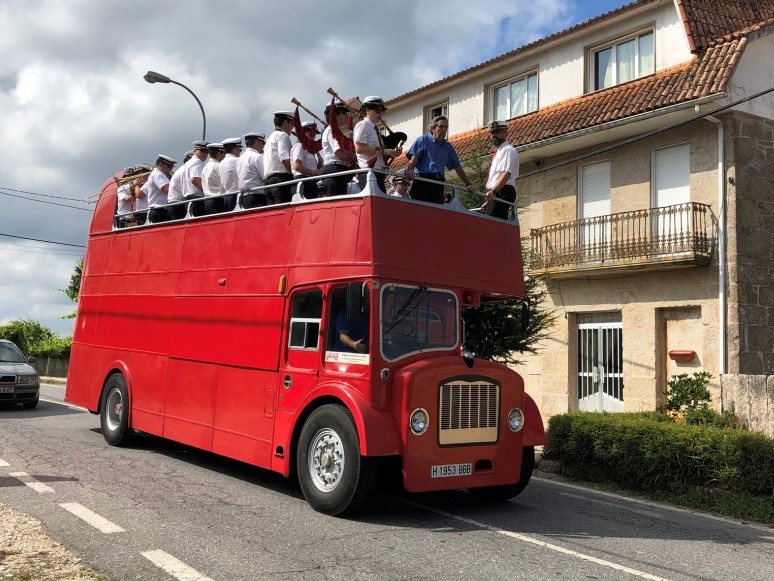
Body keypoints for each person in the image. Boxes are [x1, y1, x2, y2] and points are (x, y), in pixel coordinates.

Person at [405, 115, 475, 204]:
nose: (444, 129)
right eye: (441, 126)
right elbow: (413, 159)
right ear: (433, 129)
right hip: (423, 180)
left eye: (446, 127)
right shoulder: (423, 139)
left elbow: (457, 167)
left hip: (438, 183)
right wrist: (410, 169)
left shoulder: (448, 147)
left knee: (436, 213)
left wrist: (468, 183)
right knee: (420, 211)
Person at [353, 96, 402, 194]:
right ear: (367, 111)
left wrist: (393, 152)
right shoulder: (363, 125)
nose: (380, 113)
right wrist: (384, 151)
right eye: (377, 110)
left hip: (378, 172)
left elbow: (378, 151)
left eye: (382, 111)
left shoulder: (375, 129)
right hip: (369, 172)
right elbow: (359, 148)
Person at [483, 120, 519, 221]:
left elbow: (506, 173)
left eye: (497, 132)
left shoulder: (508, 150)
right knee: (489, 222)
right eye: (492, 132)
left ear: (505, 133)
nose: (494, 135)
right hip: (497, 192)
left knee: (495, 223)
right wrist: (489, 201)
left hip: (503, 190)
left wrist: (493, 192)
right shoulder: (498, 152)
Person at [321, 101, 356, 196]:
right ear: (335, 114)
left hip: (338, 169)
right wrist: (354, 157)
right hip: (335, 170)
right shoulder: (332, 130)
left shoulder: (335, 130)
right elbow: (339, 153)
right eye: (344, 113)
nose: (346, 116)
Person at [263, 111, 294, 205]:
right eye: (291, 124)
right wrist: (294, 172)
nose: (292, 127)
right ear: (285, 123)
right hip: (281, 181)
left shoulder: (269, 138)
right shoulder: (283, 135)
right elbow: (284, 157)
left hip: (268, 183)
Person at [291, 122, 323, 199]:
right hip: (303, 181)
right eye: (312, 132)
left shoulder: (311, 150)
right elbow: (297, 166)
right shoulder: (300, 146)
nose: (314, 136)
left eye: (315, 133)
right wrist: (315, 173)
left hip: (311, 182)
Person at [142, 155, 176, 223]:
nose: (170, 169)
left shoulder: (162, 175)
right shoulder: (157, 174)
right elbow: (166, 189)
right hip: (158, 210)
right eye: (169, 166)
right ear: (161, 164)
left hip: (161, 209)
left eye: (172, 167)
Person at [238, 132, 266, 208]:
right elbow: (265, 176)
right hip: (257, 197)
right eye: (263, 142)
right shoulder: (257, 157)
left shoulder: (240, 158)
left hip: (244, 197)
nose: (263, 146)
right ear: (257, 141)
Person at [182, 140, 209, 216]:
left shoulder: (189, 163)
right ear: (195, 151)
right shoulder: (197, 162)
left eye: (207, 151)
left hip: (189, 200)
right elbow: (194, 179)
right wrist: (207, 190)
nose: (205, 154)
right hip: (196, 200)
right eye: (202, 150)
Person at [167, 151, 194, 220]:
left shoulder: (183, 169)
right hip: (177, 205)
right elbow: (191, 190)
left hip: (177, 204)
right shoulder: (185, 170)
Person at [201, 142, 227, 214]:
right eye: (224, 153)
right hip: (218, 200)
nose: (225, 156)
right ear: (219, 153)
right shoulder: (218, 166)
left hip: (207, 201)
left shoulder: (205, 167)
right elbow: (226, 184)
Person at [220, 137, 242, 211]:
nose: (240, 151)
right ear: (235, 148)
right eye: (240, 149)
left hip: (226, 197)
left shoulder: (221, 163)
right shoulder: (237, 160)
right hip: (236, 196)